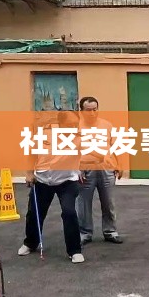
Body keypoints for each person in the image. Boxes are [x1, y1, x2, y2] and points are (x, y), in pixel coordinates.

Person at [18, 111, 88, 264]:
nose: (73, 128)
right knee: (34, 213)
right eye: (69, 125)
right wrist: (29, 173)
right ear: (60, 124)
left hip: (67, 181)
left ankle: (75, 251)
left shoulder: (80, 138)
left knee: (69, 212)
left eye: (75, 125)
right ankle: (30, 243)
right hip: (42, 181)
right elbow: (31, 152)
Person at [75, 96, 123, 245]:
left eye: (95, 109)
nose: (92, 113)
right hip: (85, 170)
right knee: (83, 203)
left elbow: (114, 146)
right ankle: (85, 233)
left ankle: (110, 231)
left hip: (105, 169)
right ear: (81, 111)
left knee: (108, 202)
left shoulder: (106, 125)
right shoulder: (75, 127)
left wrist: (119, 164)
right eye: (88, 110)